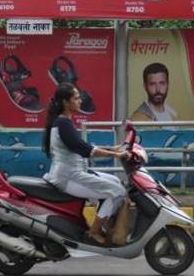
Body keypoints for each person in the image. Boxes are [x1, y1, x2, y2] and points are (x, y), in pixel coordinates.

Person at [42, 82, 129, 245]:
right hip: (69, 177)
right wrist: (116, 154)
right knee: (117, 192)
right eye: (76, 98)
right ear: (65, 103)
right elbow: (84, 149)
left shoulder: (63, 122)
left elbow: (81, 146)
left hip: (74, 172)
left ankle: (104, 224)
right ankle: (94, 232)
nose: (80, 100)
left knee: (116, 182)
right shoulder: (63, 123)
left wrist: (113, 148)